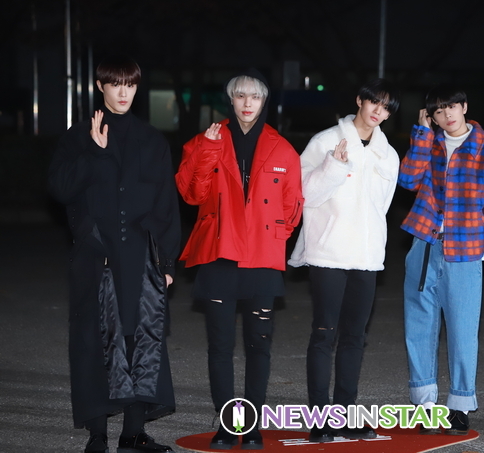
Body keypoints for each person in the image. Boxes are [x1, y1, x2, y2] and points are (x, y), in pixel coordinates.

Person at [48, 55, 181, 453]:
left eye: (131, 85)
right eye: (116, 84)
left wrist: (167, 262)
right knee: (94, 344)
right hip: (95, 256)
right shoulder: (77, 137)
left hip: (140, 256)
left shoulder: (152, 140)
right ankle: (97, 435)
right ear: (100, 86)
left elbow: (166, 204)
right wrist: (92, 151)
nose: (124, 92)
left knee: (141, 342)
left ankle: (133, 433)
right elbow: (60, 189)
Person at [176, 69, 303, 450]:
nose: (248, 103)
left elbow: (293, 207)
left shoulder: (282, 148)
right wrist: (208, 150)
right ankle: (227, 424)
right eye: (241, 95)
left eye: (255, 96)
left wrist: (272, 237)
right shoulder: (205, 141)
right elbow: (191, 194)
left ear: (264, 101)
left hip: (262, 258)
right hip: (219, 255)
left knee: (258, 346)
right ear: (230, 100)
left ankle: (252, 424)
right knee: (220, 346)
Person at [288, 79, 401, 442]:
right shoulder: (324, 141)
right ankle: (320, 419)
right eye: (374, 102)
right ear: (360, 101)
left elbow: (382, 207)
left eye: (386, 107)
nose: (378, 111)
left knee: (355, 337)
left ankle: (345, 415)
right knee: (324, 334)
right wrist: (332, 168)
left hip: (366, 256)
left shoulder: (388, 154)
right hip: (329, 253)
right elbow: (303, 195)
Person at [398, 85, 484, 435]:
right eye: (438, 111)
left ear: (464, 107)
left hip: (465, 252)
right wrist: (420, 135)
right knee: (419, 325)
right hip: (424, 243)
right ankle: (424, 404)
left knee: (463, 331)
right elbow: (407, 180)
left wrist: (476, 243)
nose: (446, 114)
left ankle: (460, 405)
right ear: (430, 117)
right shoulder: (429, 144)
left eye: (451, 107)